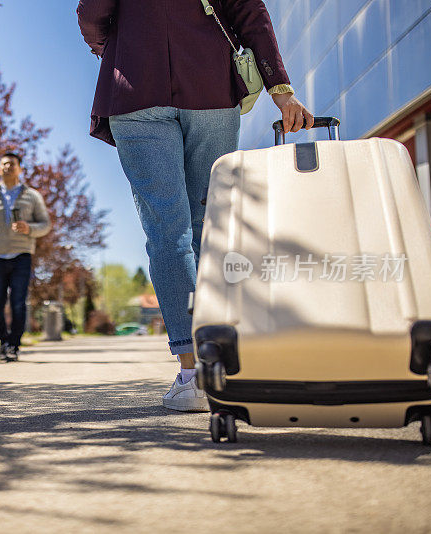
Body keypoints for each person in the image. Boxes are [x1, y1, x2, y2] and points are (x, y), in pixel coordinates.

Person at [77, 0, 313, 411]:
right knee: (210, 226)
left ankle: (192, 375)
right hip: (209, 85)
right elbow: (250, 14)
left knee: (167, 231)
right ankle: (219, 360)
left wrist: (110, 41)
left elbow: (92, 10)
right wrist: (281, 90)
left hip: (136, 85)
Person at [0, 153, 52, 361]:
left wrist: (28, 228)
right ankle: (3, 341)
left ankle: (14, 344)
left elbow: (45, 225)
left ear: (20, 169)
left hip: (22, 255)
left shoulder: (32, 195)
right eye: (4, 163)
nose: (7, 167)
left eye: (12, 164)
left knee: (17, 302)